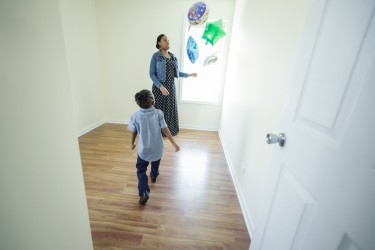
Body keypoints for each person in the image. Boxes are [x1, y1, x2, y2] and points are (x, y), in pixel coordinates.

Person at [128, 89, 180, 205]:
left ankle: (144, 191)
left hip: (143, 150)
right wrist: (173, 143)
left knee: (141, 170)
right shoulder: (158, 113)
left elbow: (134, 131)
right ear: (152, 101)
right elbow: (165, 129)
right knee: (156, 164)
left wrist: (132, 143)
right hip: (157, 148)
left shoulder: (135, 115)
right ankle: (154, 175)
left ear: (137, 103)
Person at [149, 34, 197, 136]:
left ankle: (170, 131)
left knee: (170, 109)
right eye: (165, 40)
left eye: (168, 40)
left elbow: (176, 72)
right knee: (159, 110)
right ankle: (158, 132)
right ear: (159, 43)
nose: (167, 42)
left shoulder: (173, 57)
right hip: (159, 88)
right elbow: (152, 74)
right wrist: (160, 87)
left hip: (171, 87)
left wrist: (189, 75)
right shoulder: (156, 56)